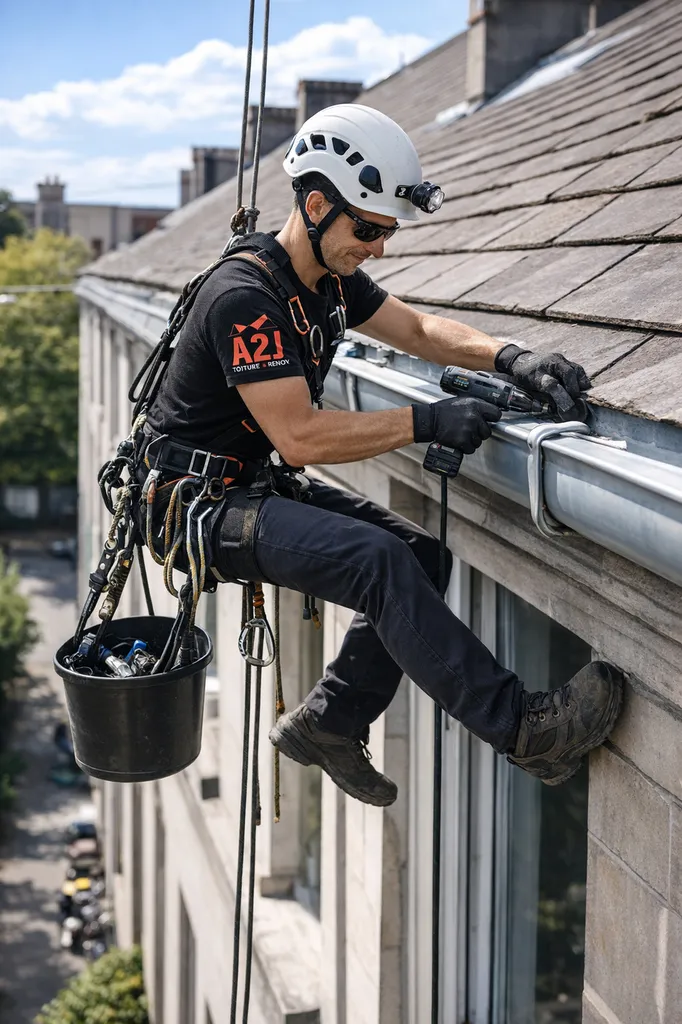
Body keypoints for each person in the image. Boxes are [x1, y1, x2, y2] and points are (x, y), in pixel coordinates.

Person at [142, 104, 623, 807]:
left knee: (420, 556)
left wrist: (512, 357)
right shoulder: (245, 299)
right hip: (201, 508)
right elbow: (300, 437)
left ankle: (329, 725)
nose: (377, 248)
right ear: (314, 205)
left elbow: (419, 327)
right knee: (378, 563)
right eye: (366, 229)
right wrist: (427, 420)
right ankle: (526, 730)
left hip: (249, 488)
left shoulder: (327, 283)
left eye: (387, 232)